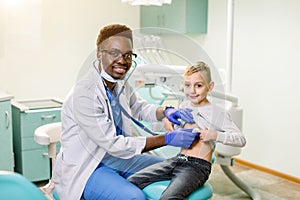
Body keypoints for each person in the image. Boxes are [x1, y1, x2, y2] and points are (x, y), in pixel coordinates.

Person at [50, 24, 199, 200]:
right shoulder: (84, 94)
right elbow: (114, 144)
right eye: (114, 53)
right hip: (90, 167)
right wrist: (167, 139)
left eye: (127, 55)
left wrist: (166, 111)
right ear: (99, 53)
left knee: (175, 168)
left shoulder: (119, 83)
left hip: (119, 159)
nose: (122, 60)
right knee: (134, 197)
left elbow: (139, 107)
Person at [128, 61, 247, 200]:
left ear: (210, 86)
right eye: (187, 85)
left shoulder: (217, 113)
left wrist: (214, 135)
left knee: (169, 197)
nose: (192, 91)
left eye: (199, 85)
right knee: (132, 181)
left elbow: (240, 139)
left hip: (197, 167)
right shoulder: (184, 106)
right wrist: (168, 123)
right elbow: (174, 129)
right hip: (176, 160)